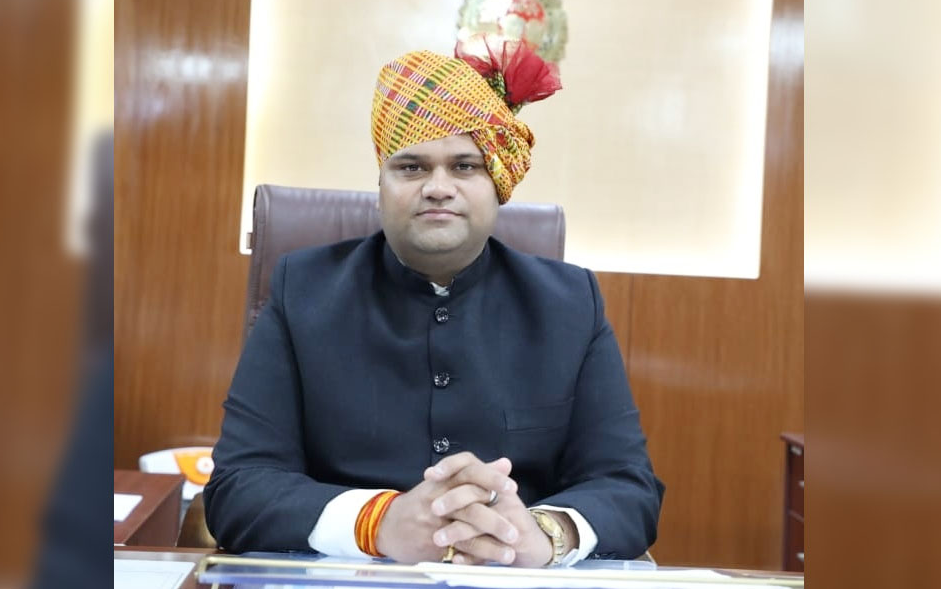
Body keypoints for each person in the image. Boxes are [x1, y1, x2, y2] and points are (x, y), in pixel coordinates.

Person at [204, 44, 662, 568]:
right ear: (381, 185)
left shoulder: (569, 304)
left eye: (465, 166)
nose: (438, 188)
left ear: (498, 182)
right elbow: (238, 488)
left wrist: (543, 533)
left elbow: (628, 486)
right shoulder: (303, 291)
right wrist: (377, 522)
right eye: (411, 167)